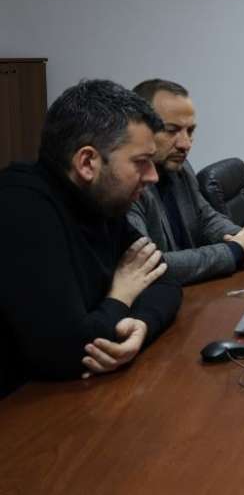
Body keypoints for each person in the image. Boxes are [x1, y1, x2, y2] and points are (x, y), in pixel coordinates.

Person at [0, 80, 182, 397]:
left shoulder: (100, 199)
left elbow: (164, 280)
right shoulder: (21, 208)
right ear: (87, 162)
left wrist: (142, 325)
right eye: (141, 162)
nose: (153, 176)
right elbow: (70, 352)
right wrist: (122, 295)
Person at [128, 79, 244, 286]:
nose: (185, 144)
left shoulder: (181, 167)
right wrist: (235, 251)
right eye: (171, 130)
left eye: (190, 131)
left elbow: (205, 218)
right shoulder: (127, 186)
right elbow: (149, 266)